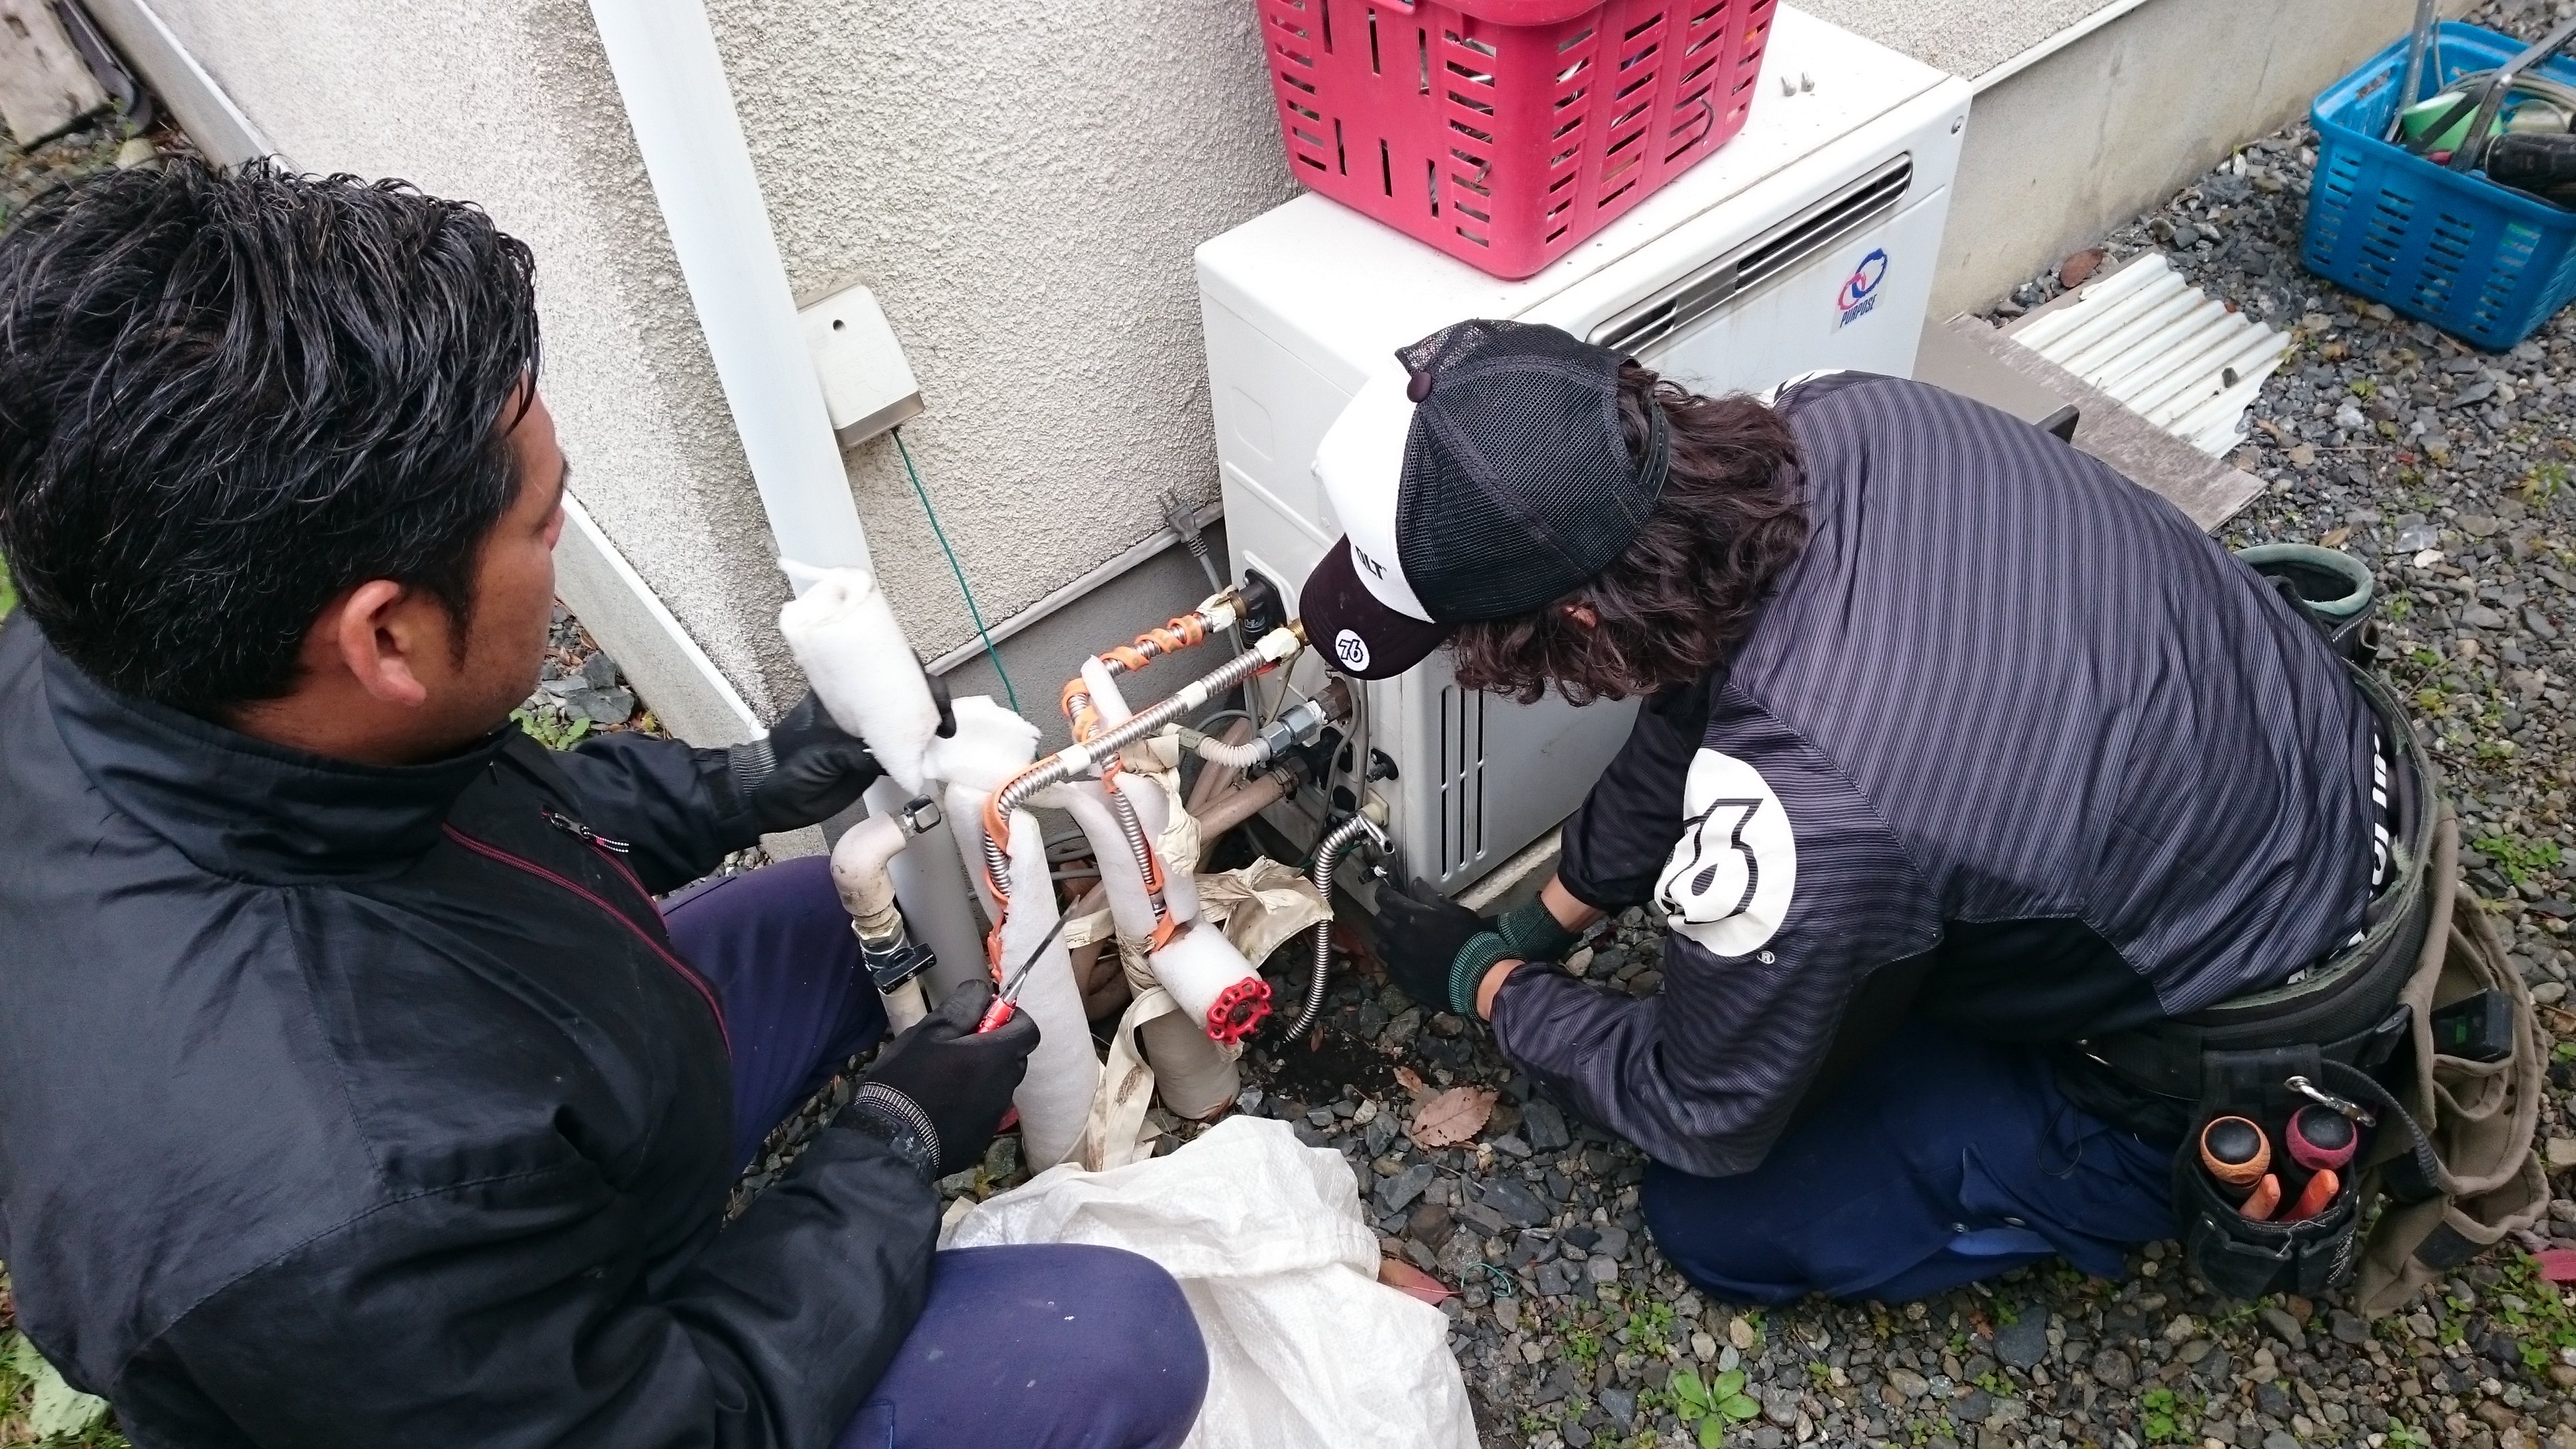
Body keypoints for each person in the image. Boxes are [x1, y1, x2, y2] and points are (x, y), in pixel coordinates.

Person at [0, 160, 1207, 1447]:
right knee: (1115, 1347)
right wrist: (890, 1150)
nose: (564, 535)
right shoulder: (343, 1220)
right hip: (520, 1384)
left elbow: (462, 805)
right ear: (387, 637)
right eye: (541, 521)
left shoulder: (127, 666)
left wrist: (745, 783)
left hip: (485, 1131)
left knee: (826, 918)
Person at [1303, 318, 2416, 1303]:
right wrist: (1551, 914)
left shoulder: (1805, 811)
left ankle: (2107, 1167)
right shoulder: (1838, 413)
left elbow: (1703, 1109)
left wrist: (1489, 984)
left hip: (2255, 1021)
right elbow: (1693, 684)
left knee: (1719, 1219)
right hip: (2320, 760)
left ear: (1578, 620)